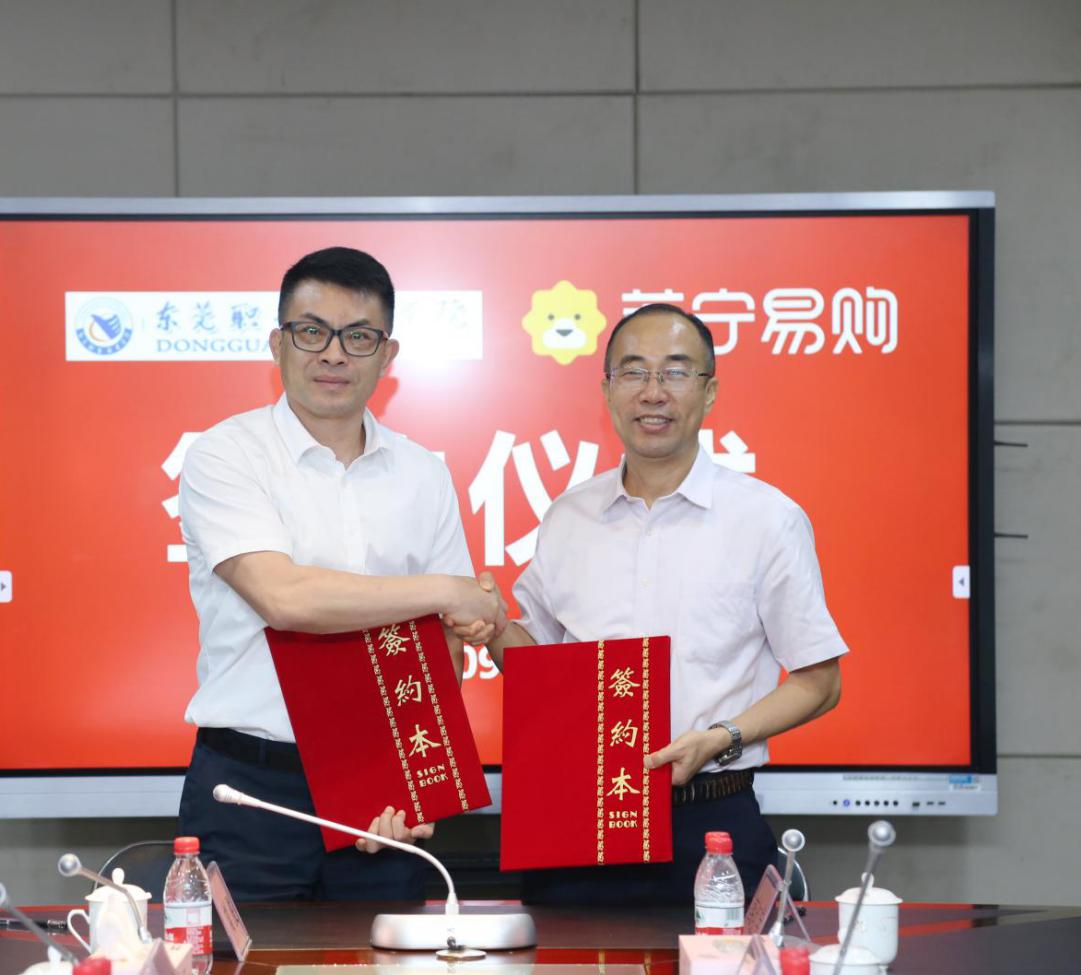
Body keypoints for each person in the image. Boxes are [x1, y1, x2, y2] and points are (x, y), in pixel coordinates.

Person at [487, 303, 847, 904]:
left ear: (709, 392)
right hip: (578, 816)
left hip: (712, 821)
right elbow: (535, 667)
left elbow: (820, 681)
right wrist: (491, 622)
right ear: (607, 390)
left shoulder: (766, 519)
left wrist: (721, 737)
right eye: (633, 372)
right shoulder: (569, 516)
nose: (653, 392)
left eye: (676, 372)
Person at [177, 246, 506, 902]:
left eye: (358, 337)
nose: (333, 354)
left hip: (383, 788)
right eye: (312, 332)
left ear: (387, 356)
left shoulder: (422, 472)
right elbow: (284, 597)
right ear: (278, 344)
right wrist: (447, 590)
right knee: (243, 954)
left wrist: (414, 779)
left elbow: (442, 645)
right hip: (251, 788)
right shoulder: (226, 454)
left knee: (386, 953)